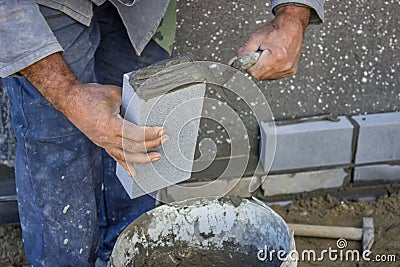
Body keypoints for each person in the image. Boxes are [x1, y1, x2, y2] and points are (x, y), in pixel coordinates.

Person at [0, 0, 324, 266]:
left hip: (142, 7)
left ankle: (124, 255)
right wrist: (67, 93)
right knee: (59, 142)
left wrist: (294, 13)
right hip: (38, 9)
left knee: (148, 130)